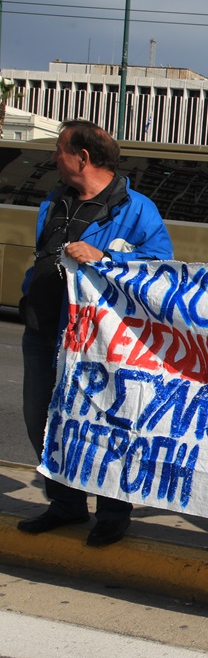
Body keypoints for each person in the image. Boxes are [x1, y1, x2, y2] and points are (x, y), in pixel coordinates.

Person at [17, 120, 174, 547]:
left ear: (82, 158)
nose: (53, 157)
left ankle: (112, 512)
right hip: (44, 333)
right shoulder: (53, 202)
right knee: (42, 423)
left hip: (96, 346)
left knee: (104, 426)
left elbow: (159, 266)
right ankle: (65, 504)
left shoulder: (136, 209)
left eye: (59, 148)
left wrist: (102, 255)